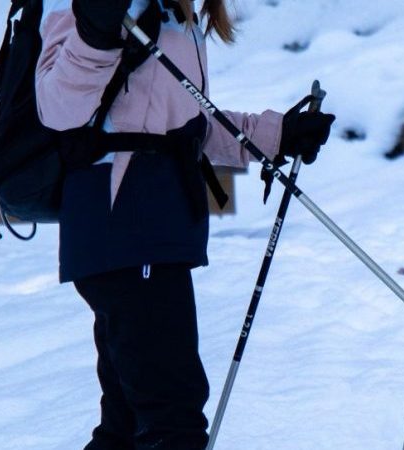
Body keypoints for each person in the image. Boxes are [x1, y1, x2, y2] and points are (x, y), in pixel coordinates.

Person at [35, 0, 335, 448]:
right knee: (171, 418)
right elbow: (57, 108)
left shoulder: (179, 11)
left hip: (154, 226)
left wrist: (276, 136)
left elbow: (182, 123)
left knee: (129, 422)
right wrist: (95, 29)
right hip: (122, 224)